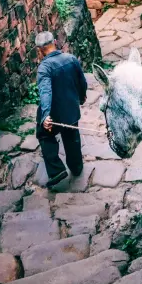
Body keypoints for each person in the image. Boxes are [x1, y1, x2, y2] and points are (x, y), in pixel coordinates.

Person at [34, 31, 88, 189]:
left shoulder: (44, 68)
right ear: (55, 42)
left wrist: (45, 116)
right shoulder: (71, 59)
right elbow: (82, 81)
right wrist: (82, 96)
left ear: (39, 50)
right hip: (71, 108)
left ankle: (56, 170)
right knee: (72, 137)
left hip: (54, 114)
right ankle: (76, 167)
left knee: (44, 135)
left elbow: (45, 92)